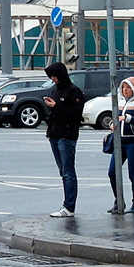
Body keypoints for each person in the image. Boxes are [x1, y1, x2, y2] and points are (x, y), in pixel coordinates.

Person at [43, 61, 85, 218]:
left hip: (66, 135)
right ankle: (68, 205)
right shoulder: (56, 90)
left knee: (68, 171)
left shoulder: (74, 91)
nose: (53, 79)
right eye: (51, 76)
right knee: (63, 171)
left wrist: (56, 107)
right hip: (55, 133)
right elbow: (57, 112)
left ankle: (69, 206)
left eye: (54, 76)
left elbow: (75, 115)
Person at [108, 77, 134, 214]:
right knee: (112, 172)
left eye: (128, 87)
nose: (125, 90)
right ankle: (119, 201)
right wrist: (112, 125)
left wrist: (128, 118)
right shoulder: (120, 103)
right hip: (119, 142)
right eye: (123, 87)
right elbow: (115, 118)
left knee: (133, 174)